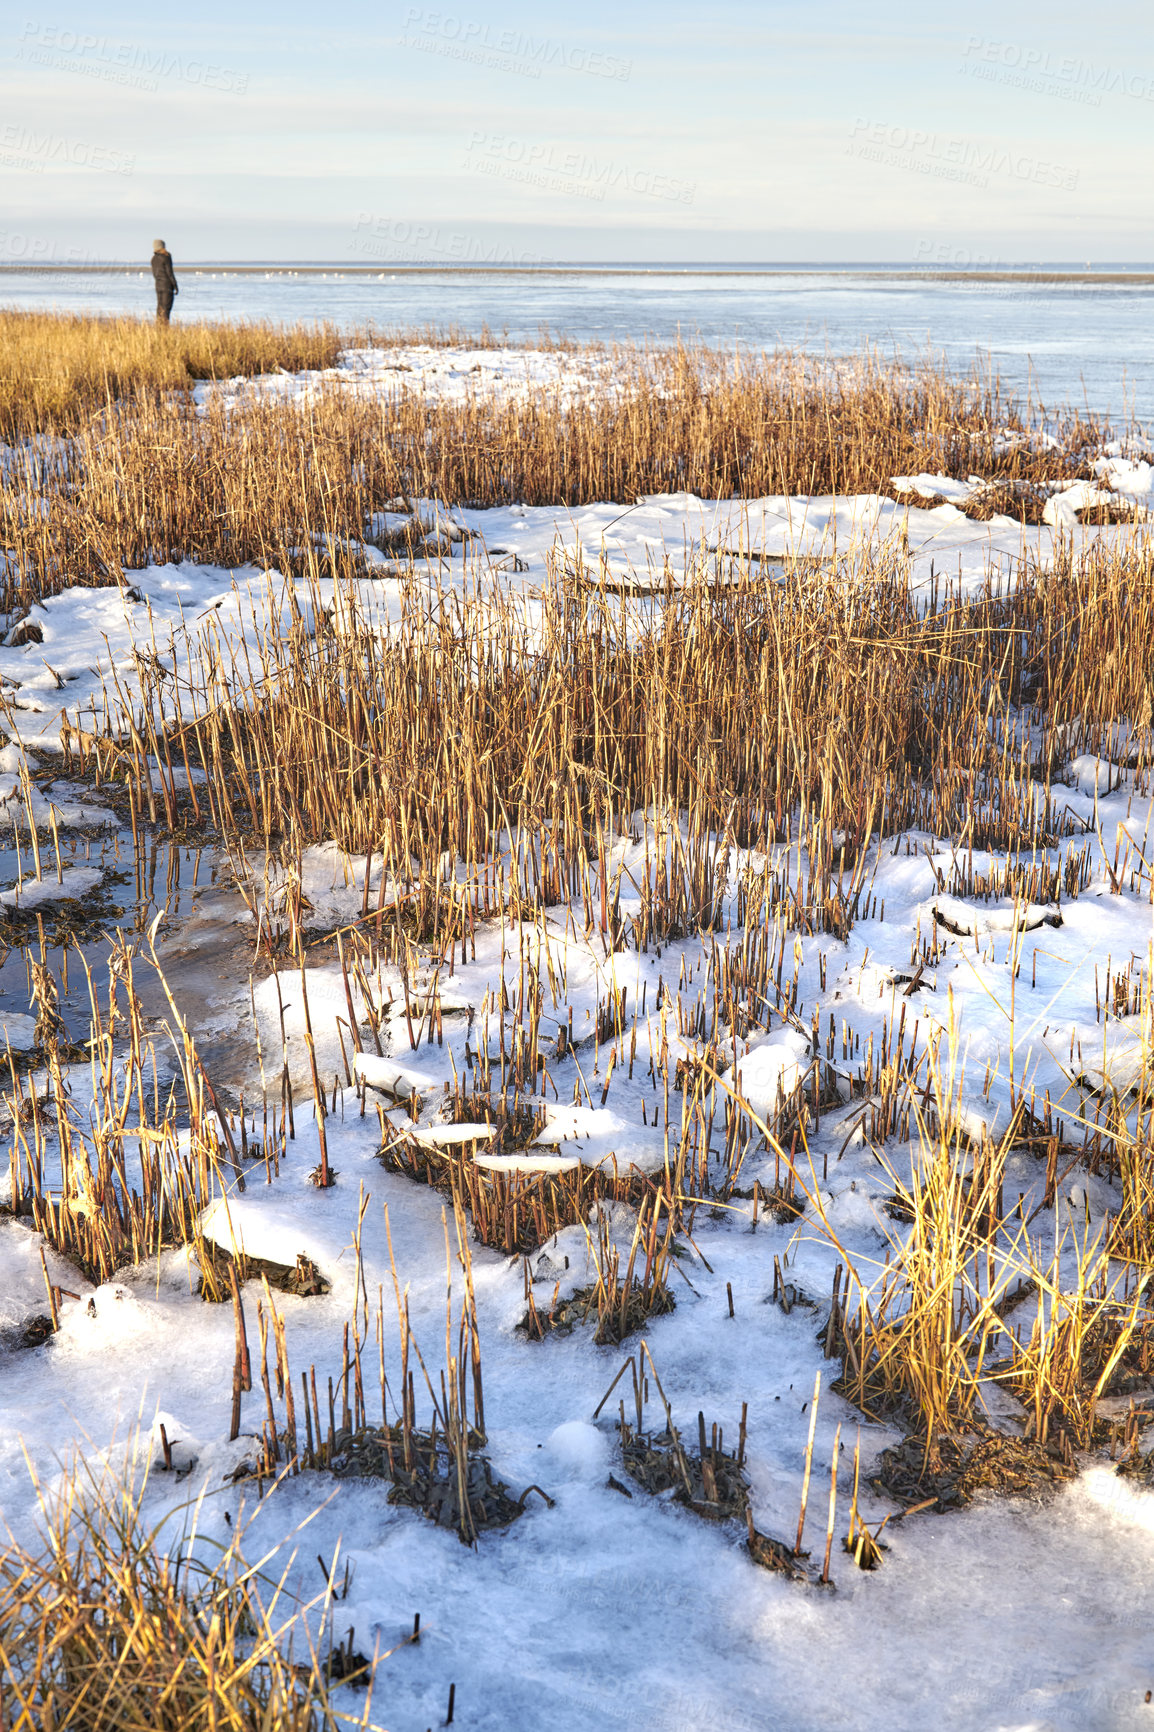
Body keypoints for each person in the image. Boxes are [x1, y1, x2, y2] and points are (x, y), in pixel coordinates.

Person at [151, 239, 178, 324]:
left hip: (158, 286)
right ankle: (165, 328)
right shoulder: (166, 256)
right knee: (166, 309)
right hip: (167, 286)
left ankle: (158, 327)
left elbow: (155, 274)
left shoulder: (153, 259)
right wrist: (175, 286)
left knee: (160, 308)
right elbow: (170, 273)